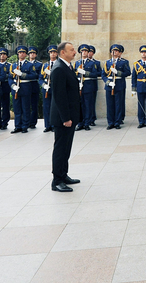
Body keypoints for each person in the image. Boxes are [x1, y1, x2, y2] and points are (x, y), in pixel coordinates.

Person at [49, 41, 82, 192]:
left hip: (69, 115)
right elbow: (59, 97)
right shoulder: (58, 69)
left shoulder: (66, 66)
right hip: (63, 118)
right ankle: (57, 180)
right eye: (72, 50)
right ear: (63, 52)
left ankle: (63, 174)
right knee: (61, 148)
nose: (75, 52)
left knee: (66, 147)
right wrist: (65, 118)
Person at [9, 45, 36, 133]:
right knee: (17, 108)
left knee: (25, 108)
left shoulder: (29, 65)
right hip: (16, 89)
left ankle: (25, 125)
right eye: (20, 53)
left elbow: (34, 75)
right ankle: (17, 126)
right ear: (18, 54)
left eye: (23, 53)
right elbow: (10, 77)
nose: (21, 54)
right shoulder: (13, 65)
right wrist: (13, 86)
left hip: (25, 87)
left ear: (26, 54)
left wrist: (22, 75)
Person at [102, 44, 130, 130]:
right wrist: (108, 82)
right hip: (110, 85)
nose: (114, 52)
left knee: (118, 104)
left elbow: (128, 73)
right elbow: (103, 74)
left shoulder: (124, 62)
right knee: (109, 104)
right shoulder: (107, 62)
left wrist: (118, 72)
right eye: (113, 51)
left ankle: (117, 122)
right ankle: (110, 122)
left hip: (119, 84)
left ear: (120, 53)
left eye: (116, 51)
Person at [40, 45, 58, 133]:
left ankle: (54, 125)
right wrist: (44, 85)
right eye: (51, 53)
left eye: (54, 52)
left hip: (55, 88)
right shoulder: (45, 65)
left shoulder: (59, 64)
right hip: (46, 89)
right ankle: (47, 125)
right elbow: (40, 78)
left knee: (54, 108)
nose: (53, 54)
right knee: (46, 107)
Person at [28, 47, 43, 129]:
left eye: (33, 53)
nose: (32, 54)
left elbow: (39, 75)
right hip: (26, 85)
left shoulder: (39, 64)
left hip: (34, 84)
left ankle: (33, 122)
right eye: (30, 53)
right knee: (26, 105)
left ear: (36, 55)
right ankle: (26, 121)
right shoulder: (25, 64)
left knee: (34, 105)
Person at [87, 45, 102, 126]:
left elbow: (100, 73)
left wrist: (90, 74)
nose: (89, 53)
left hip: (92, 84)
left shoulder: (96, 63)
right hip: (84, 85)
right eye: (88, 51)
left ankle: (92, 118)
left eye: (91, 52)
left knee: (92, 102)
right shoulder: (80, 63)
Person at [0, 47, 12, 130]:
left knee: (5, 105)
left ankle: (5, 121)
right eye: (1, 54)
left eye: (4, 54)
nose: (2, 56)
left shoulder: (9, 65)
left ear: (7, 56)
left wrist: (1, 76)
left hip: (5, 86)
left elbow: (10, 75)